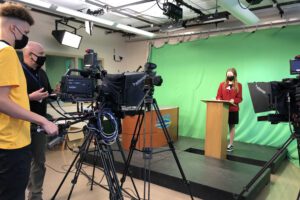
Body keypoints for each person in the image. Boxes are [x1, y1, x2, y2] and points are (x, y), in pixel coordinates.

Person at [0, 3, 58, 200]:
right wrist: (43, 120)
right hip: (11, 143)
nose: (24, 36)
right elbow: (2, 101)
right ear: (13, 28)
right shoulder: (6, 52)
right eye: (24, 31)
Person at [22, 41, 53, 200]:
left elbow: (49, 92)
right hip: (20, 125)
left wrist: (56, 93)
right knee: (21, 163)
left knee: (39, 161)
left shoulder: (42, 73)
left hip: (40, 125)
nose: (43, 57)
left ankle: (35, 195)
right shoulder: (17, 71)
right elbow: (6, 101)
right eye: (40, 55)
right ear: (29, 55)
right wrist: (29, 98)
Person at [216, 68, 242, 152]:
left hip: (233, 109)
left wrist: (234, 100)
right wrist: (219, 99)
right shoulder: (222, 84)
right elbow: (218, 96)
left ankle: (230, 144)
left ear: (235, 75)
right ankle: (220, 143)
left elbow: (240, 98)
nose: (229, 76)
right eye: (228, 75)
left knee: (232, 126)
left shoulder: (239, 85)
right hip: (223, 108)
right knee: (222, 126)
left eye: (231, 75)